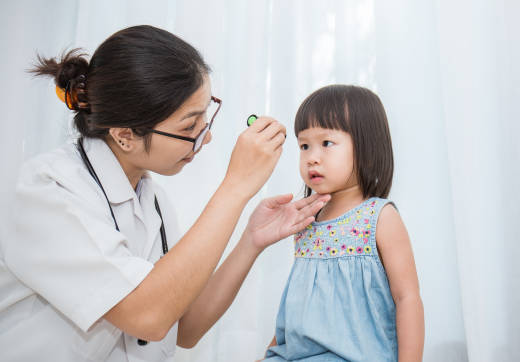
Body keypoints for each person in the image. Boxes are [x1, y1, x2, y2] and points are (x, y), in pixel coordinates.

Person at [0, 25, 329, 361]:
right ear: (124, 135)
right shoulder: (48, 190)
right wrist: (235, 187)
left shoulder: (154, 203)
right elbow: (149, 317)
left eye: (205, 118)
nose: (206, 138)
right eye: (189, 126)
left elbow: (184, 328)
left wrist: (251, 241)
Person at [261, 85, 424, 361]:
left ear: (366, 148)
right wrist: (270, 352)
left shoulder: (379, 217)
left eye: (326, 143)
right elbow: (297, 303)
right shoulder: (306, 220)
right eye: (304, 145)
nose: (312, 156)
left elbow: (407, 298)